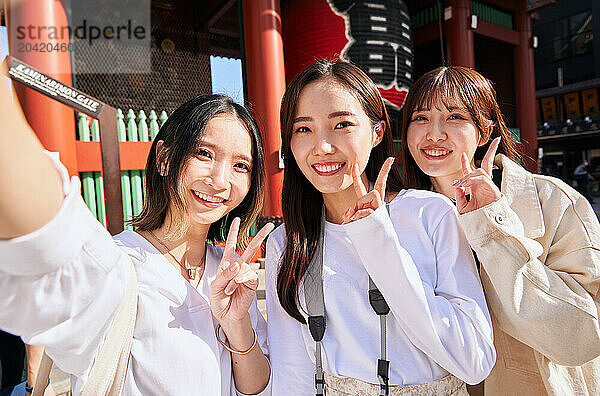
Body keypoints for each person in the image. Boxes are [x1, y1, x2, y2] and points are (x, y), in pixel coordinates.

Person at [0, 64, 273, 396]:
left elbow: (256, 386)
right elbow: (50, 240)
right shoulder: (120, 266)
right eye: (204, 153)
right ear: (164, 159)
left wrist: (237, 324)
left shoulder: (228, 272)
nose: (220, 180)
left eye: (240, 165)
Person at [265, 60, 495, 395]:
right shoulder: (286, 243)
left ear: (376, 132)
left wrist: (379, 243)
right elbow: (292, 371)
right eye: (303, 129)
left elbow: (474, 361)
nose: (322, 146)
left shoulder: (429, 214)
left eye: (341, 124)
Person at [400, 65, 600, 395]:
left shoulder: (554, 201)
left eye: (454, 117)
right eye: (420, 118)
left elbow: (580, 339)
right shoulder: (401, 214)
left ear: (484, 130)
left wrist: (491, 224)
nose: (433, 133)